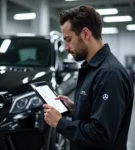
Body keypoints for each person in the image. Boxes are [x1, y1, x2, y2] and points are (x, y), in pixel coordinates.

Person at [43, 5, 134, 150]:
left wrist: (60, 123)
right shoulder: (91, 68)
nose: (66, 47)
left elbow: (101, 135)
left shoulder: (109, 74)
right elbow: (98, 113)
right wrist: (75, 109)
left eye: (68, 39)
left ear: (85, 34)